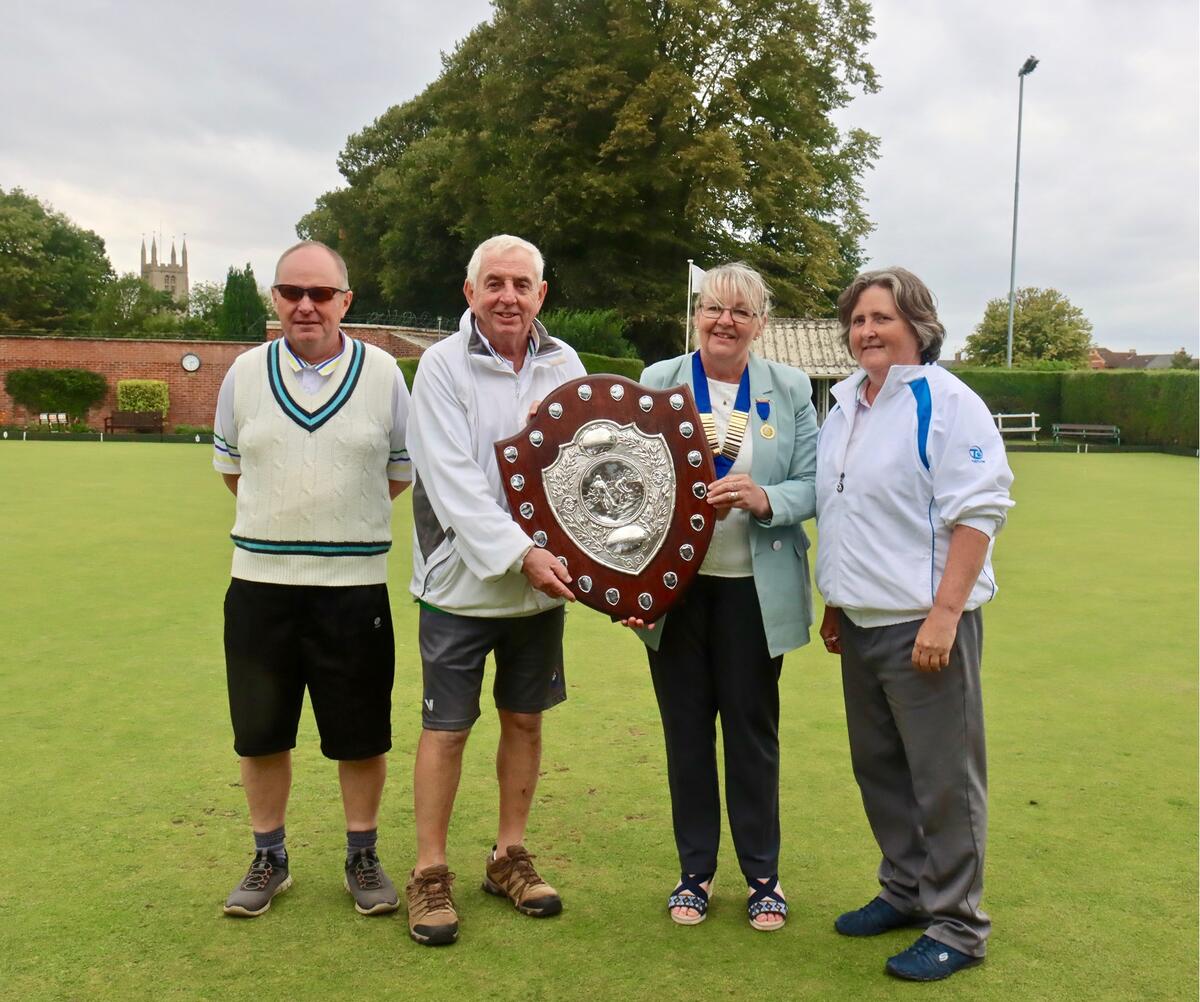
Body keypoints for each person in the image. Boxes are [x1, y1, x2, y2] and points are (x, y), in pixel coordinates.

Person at [815, 267, 1014, 981]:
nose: (867, 331)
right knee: (881, 771)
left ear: (917, 326)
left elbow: (978, 512)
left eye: (882, 319)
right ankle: (904, 892)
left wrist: (945, 615)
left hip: (924, 627)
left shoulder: (949, 402)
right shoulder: (847, 405)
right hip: (862, 624)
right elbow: (846, 508)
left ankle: (958, 926)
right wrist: (837, 600)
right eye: (859, 320)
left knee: (943, 780)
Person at [212, 240, 412, 919]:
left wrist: (340, 527)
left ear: (345, 301)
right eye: (292, 292)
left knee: (361, 734)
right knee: (261, 732)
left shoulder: (384, 373)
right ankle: (269, 855)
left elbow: (397, 470)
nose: (305, 306)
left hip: (354, 588)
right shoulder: (242, 373)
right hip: (260, 582)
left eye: (320, 294)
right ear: (275, 298)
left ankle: (362, 855)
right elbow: (233, 467)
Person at [402, 234, 586, 946]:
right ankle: (428, 871)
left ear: (541, 294)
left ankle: (508, 856)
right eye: (494, 283)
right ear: (469, 292)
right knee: (446, 730)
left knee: (526, 720)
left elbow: (586, 470)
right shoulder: (441, 368)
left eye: (522, 284)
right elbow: (452, 481)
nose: (508, 296)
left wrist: (604, 566)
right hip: (458, 584)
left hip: (539, 593)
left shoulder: (565, 364)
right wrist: (522, 553)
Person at [625, 262, 818, 930]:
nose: (725, 321)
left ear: (760, 323)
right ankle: (695, 873)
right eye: (714, 308)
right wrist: (632, 583)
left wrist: (767, 498)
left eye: (740, 311)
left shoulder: (790, 387)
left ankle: (763, 875)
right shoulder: (658, 381)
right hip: (677, 594)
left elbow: (815, 482)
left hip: (755, 594)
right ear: (696, 314)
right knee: (686, 733)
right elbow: (629, 486)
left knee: (752, 733)